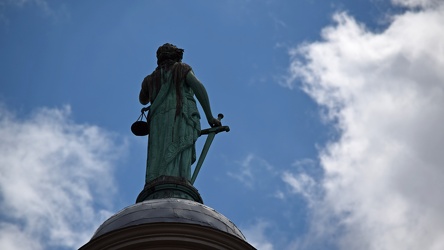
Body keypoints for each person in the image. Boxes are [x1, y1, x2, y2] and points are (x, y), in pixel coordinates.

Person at [139, 43, 221, 184]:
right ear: (177, 57)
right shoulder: (182, 68)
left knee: (158, 150)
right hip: (180, 114)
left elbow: (142, 99)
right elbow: (198, 87)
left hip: (158, 119)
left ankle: (156, 180)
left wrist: (153, 84)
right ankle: (180, 179)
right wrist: (209, 116)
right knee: (180, 149)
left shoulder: (149, 79)